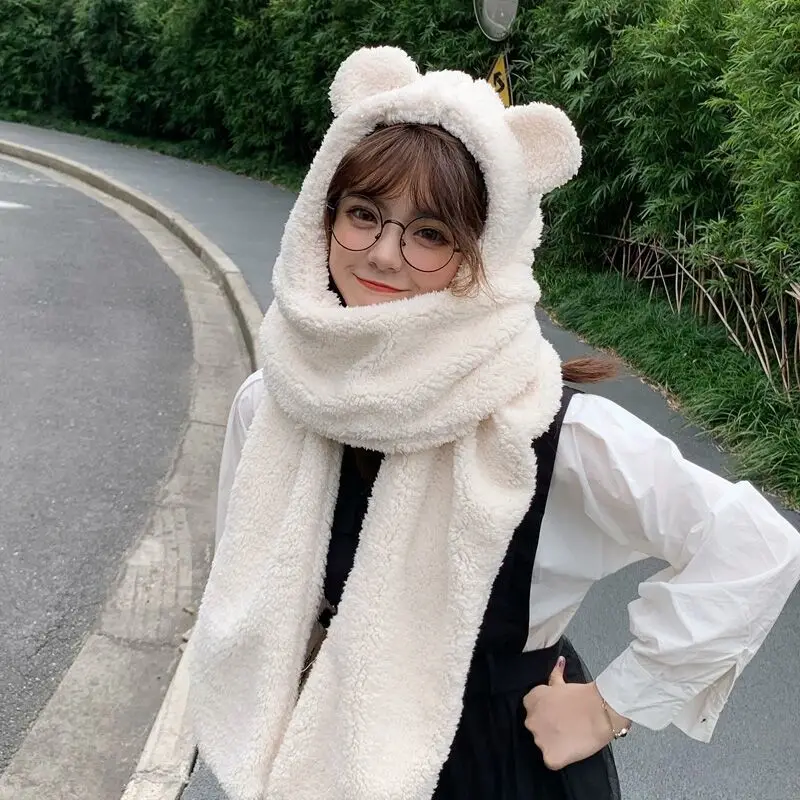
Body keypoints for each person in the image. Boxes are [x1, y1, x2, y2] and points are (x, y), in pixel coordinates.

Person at [187, 47, 800, 800]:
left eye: (431, 233)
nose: (384, 253)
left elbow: (754, 546)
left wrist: (613, 704)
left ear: (487, 252)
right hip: (320, 757)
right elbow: (245, 579)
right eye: (363, 215)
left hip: (500, 764)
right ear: (323, 216)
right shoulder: (275, 402)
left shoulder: (547, 430)